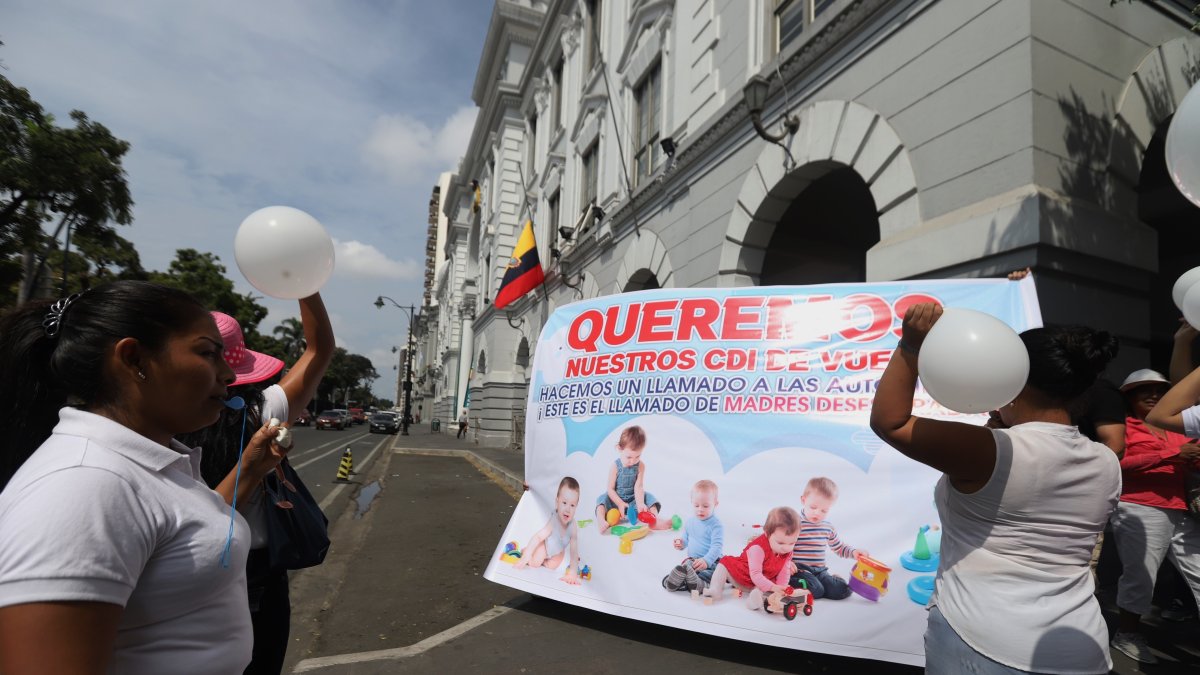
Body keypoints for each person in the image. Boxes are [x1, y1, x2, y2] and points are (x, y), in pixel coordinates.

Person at [0, 281, 287, 674]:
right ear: (134, 358)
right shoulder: (84, 485)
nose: (227, 375)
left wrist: (250, 471)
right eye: (207, 353)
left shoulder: (149, 463)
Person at [870, 303, 1120, 675]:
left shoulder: (990, 451)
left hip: (984, 644)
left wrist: (911, 349)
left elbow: (890, 422)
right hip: (1081, 647)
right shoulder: (1106, 461)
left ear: (1013, 377)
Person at [177, 295, 333, 675]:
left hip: (181, 573)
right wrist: (305, 283)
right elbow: (320, 348)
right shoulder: (261, 410)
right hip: (257, 571)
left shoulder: (162, 417)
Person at [1105, 368, 1200, 664]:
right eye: (1144, 390)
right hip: (1140, 507)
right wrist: (1170, 455)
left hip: (1180, 508)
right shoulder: (1124, 427)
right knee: (1141, 577)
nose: (1154, 395)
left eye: (1159, 391)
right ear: (1129, 397)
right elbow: (1114, 463)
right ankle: (1127, 634)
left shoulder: (1177, 428)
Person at [703, 506, 800, 609]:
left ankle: (754, 601)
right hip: (743, 575)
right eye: (780, 542)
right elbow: (755, 574)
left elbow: (784, 572)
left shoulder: (788, 551)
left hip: (763, 581)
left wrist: (781, 588)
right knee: (724, 564)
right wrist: (772, 587)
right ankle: (715, 590)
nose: (786, 548)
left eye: (792, 543)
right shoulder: (758, 548)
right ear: (767, 534)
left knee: (763, 589)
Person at [789, 477, 868, 600]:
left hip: (820, 571)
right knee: (817, 591)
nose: (817, 513)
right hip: (799, 570)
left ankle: (830, 582)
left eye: (824, 510)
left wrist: (853, 552)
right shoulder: (794, 523)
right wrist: (786, 563)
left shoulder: (827, 527)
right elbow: (782, 547)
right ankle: (791, 584)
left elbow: (839, 547)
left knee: (842, 591)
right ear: (803, 500)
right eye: (813, 507)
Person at [594, 425, 667, 533]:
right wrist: (619, 503)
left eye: (637, 456)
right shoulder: (615, 466)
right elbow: (610, 489)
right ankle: (601, 520)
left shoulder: (641, 466)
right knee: (601, 500)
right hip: (616, 500)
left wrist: (640, 504)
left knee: (650, 498)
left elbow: (639, 487)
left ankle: (653, 519)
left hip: (634, 500)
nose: (633, 461)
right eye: (629, 457)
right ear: (619, 449)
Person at [513, 477, 582, 585]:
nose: (568, 509)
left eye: (572, 505)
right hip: (546, 545)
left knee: (551, 567)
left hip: (558, 552)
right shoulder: (555, 519)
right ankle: (527, 551)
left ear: (576, 507)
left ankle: (543, 560)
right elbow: (539, 537)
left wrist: (572, 573)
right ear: (557, 502)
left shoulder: (573, 526)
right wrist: (527, 555)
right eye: (564, 503)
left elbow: (574, 551)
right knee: (535, 563)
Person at [670, 479, 724, 586]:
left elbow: (717, 547)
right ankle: (674, 581)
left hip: (712, 561)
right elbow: (685, 540)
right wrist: (680, 544)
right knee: (686, 567)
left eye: (705, 506)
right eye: (696, 505)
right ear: (691, 502)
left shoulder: (716, 525)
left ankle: (698, 583)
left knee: (714, 573)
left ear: (715, 504)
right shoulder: (690, 522)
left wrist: (706, 560)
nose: (700, 509)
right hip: (693, 560)